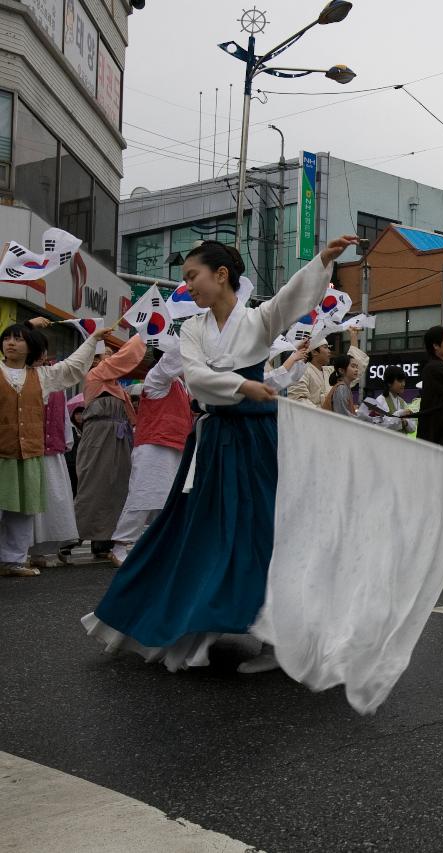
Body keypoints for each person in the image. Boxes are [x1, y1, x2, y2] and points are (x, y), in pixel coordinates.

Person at [83, 235, 360, 673]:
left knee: (266, 530)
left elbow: (291, 298)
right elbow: (194, 377)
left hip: (259, 438)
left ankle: (278, 640)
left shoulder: (259, 319)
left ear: (222, 275)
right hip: (214, 441)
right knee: (199, 531)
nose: (187, 285)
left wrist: (322, 260)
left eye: (192, 276)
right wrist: (241, 386)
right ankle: (195, 624)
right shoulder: (192, 328)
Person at [1, 318, 109, 576]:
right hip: (2, 453)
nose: (11, 343)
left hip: (28, 453)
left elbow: (71, 367)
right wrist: (27, 323)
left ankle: (12, 560)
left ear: (32, 347)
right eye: (7, 338)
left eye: (18, 339)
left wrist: (93, 340)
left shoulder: (41, 376)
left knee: (22, 510)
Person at [107, 347, 194, 567]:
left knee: (168, 500)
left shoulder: (182, 385)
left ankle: (163, 546)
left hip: (176, 446)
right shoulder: (157, 377)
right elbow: (173, 357)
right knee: (144, 495)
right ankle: (120, 545)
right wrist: (186, 335)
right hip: (154, 445)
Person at [74, 334, 147, 558]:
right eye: (104, 356)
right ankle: (75, 534)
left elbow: (132, 418)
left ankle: (105, 538)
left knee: (118, 488)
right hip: (99, 437)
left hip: (120, 438)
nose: (110, 358)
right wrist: (145, 332)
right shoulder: (95, 376)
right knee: (95, 485)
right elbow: (124, 359)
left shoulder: (118, 388)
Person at [28, 349, 78, 570]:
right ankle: (25, 550)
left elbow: (63, 416)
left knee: (53, 501)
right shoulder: (24, 378)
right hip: (30, 449)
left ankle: (45, 550)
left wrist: (66, 441)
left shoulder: (55, 382)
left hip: (53, 450)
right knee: (31, 501)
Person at [287, 326, 367, 408]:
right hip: (314, 418)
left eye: (329, 347)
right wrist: (324, 413)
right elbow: (298, 399)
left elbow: (352, 366)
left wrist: (353, 336)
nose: (329, 351)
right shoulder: (301, 371)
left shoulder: (330, 371)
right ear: (314, 352)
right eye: (325, 347)